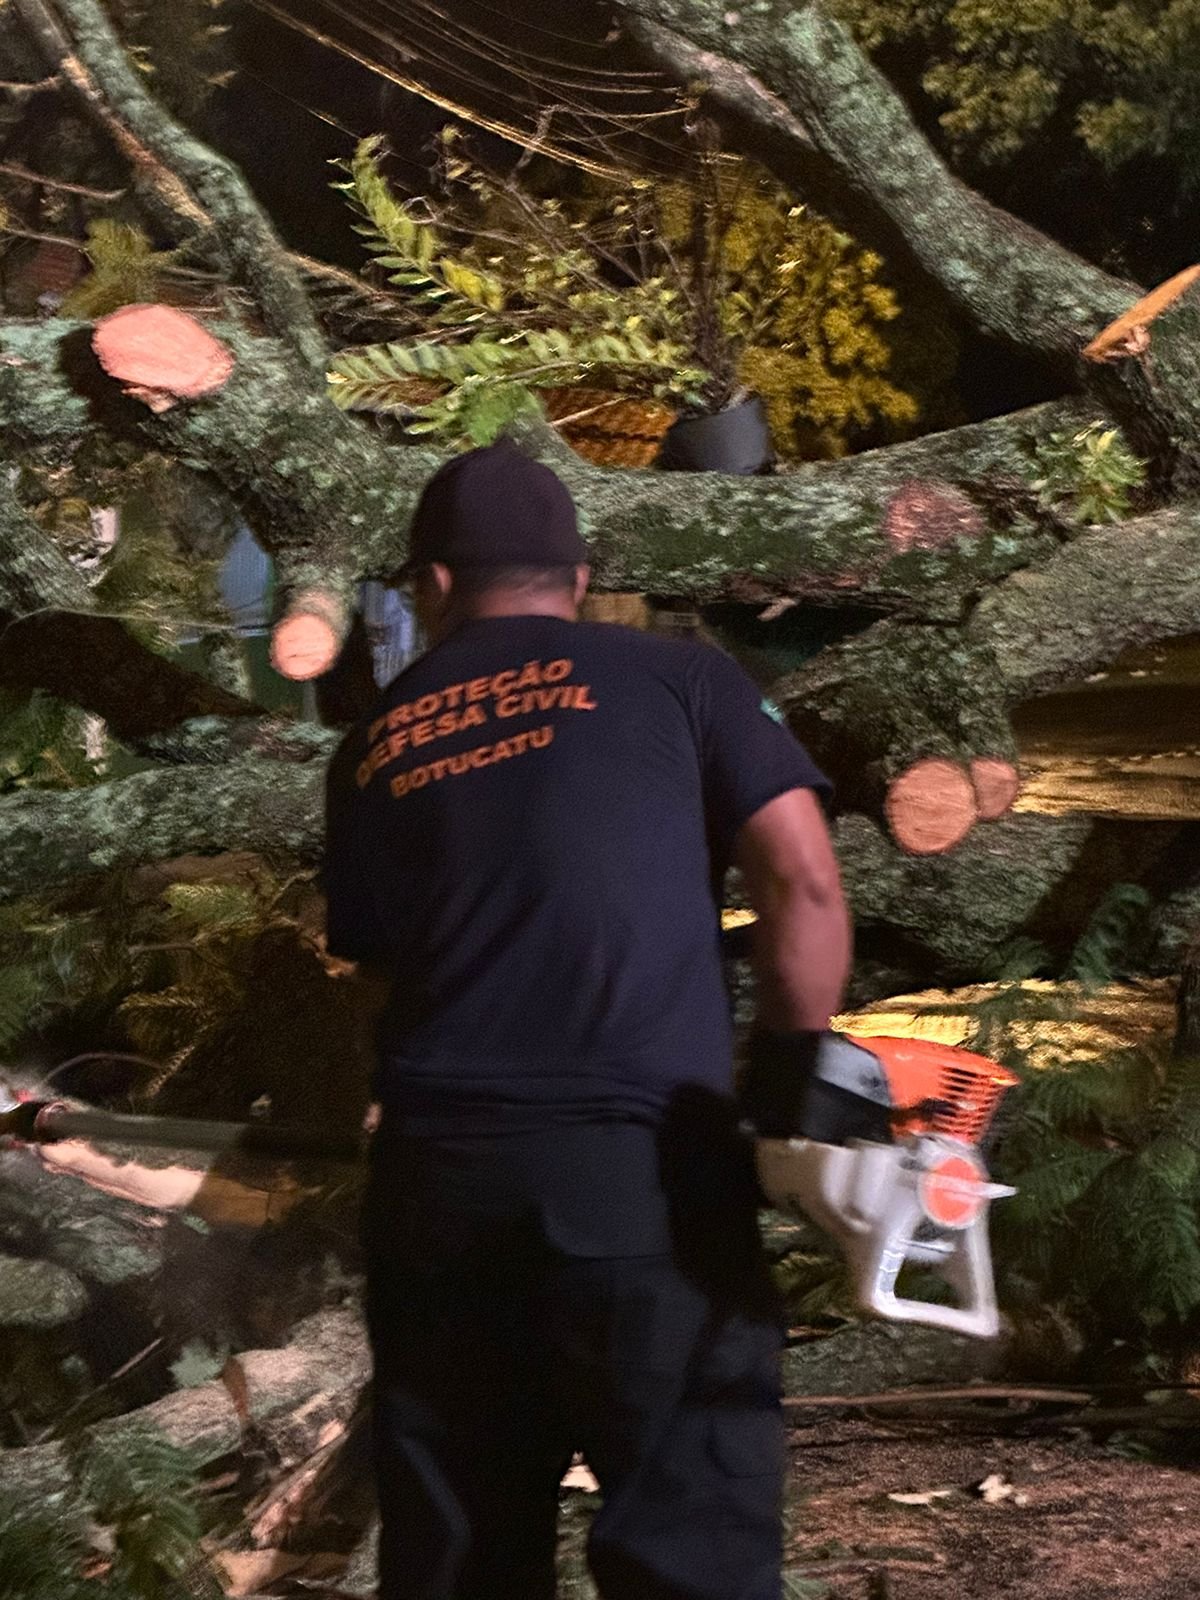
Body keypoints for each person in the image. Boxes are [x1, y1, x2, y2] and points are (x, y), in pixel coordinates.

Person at [323, 439, 852, 1600]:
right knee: (691, 1553)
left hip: (439, 1196)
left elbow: (375, 975)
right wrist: (786, 1085)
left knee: (460, 1559)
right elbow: (805, 882)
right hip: (641, 1180)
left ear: (437, 584)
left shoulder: (376, 739)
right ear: (579, 574)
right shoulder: (683, 678)